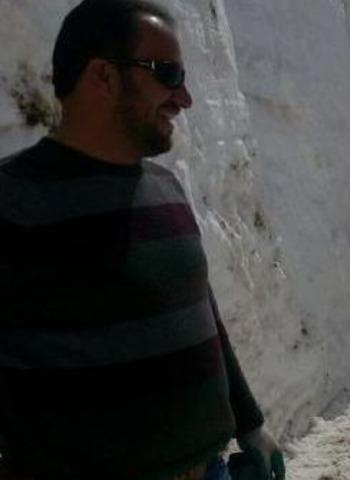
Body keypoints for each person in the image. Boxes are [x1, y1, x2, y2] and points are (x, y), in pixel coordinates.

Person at [0, 1, 284, 479]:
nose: (185, 98)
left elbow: (205, 317)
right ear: (103, 77)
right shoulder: (13, 201)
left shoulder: (166, 189)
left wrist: (249, 423)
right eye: (168, 73)